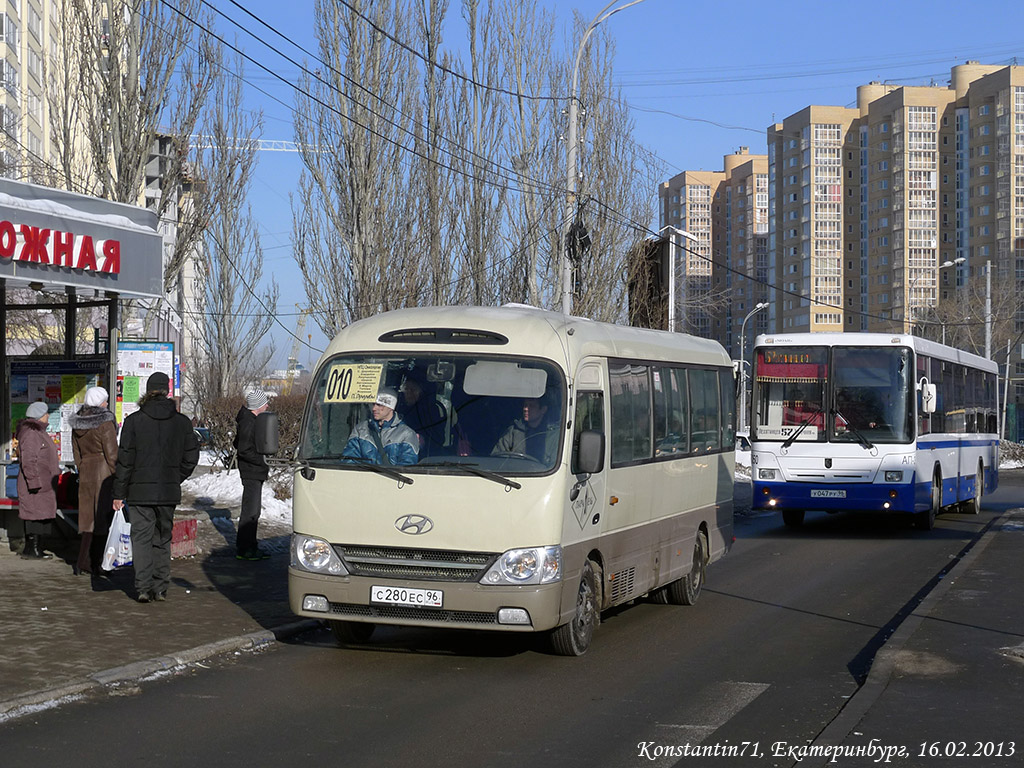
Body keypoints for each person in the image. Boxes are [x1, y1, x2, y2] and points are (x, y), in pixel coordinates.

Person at [112, 372, 199, 603]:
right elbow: (191, 458)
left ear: (148, 391)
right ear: (167, 391)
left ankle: (142, 588)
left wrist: (119, 493)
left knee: (140, 539)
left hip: (139, 493)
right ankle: (160, 588)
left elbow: (125, 461)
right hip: (168, 492)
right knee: (162, 539)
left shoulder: (133, 421)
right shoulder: (182, 422)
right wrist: (174, 477)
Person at [68, 386, 118, 576]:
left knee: (88, 521)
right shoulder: (105, 424)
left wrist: (83, 469)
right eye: (105, 401)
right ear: (100, 403)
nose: (107, 404)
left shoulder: (77, 424)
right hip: (104, 473)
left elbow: (76, 454)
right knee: (102, 520)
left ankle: (82, 561)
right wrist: (117, 477)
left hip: (86, 473)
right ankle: (97, 563)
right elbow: (112, 454)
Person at [15, 401, 59, 560]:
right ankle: (32, 549)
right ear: (40, 416)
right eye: (46, 413)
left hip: (43, 483)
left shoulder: (37, 432)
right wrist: (34, 483)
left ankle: (34, 548)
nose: (48, 416)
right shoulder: (32, 434)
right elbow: (28, 460)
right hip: (36, 484)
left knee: (39, 515)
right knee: (34, 515)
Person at [234, 389, 271, 561]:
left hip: (253, 470)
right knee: (250, 511)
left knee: (253, 511)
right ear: (257, 406)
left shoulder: (250, 420)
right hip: (251, 471)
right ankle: (245, 548)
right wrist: (261, 461)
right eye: (265, 403)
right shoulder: (249, 423)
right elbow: (244, 449)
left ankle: (250, 546)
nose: (267, 406)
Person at [342, 387, 419, 466]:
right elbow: (349, 461)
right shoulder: (361, 430)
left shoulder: (406, 434)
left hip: (393, 478)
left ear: (391, 407)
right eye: (373, 404)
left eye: (379, 405)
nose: (374, 408)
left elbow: (406, 468)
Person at [492, 394, 560, 464]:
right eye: (525, 405)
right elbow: (497, 459)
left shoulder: (554, 435)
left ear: (543, 410)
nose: (526, 409)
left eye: (531, 406)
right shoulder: (513, 432)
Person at [398, 374, 447, 455]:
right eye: (407, 389)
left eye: (413, 390)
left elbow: (439, 439)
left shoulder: (431, 411)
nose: (409, 393)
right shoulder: (398, 410)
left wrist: (423, 440)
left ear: (421, 392)